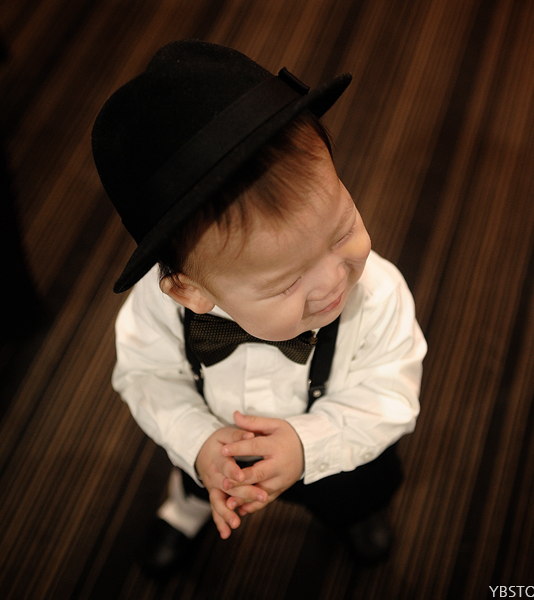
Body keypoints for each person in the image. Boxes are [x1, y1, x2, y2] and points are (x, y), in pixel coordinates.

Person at [92, 40, 426, 574]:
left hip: (339, 448)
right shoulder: (160, 310)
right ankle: (186, 511)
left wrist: (309, 445)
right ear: (189, 291)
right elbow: (145, 375)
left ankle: (356, 517)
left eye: (342, 230)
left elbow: (390, 394)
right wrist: (197, 441)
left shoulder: (378, 294)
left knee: (356, 493)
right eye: (286, 282)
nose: (333, 280)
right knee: (197, 480)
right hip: (217, 449)